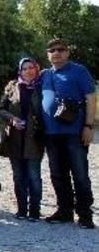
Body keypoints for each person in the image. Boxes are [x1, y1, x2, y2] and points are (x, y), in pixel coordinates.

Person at [39, 38, 95, 229]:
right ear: (48, 54)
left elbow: (90, 98)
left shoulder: (79, 71)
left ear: (68, 52)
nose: (56, 52)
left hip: (74, 132)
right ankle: (64, 211)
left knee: (79, 174)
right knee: (57, 174)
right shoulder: (45, 74)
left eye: (60, 49)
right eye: (52, 50)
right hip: (51, 134)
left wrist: (88, 126)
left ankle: (85, 215)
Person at [0, 57, 45, 221]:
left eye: (31, 67)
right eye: (24, 68)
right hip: (15, 138)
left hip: (35, 137)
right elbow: (1, 109)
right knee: (18, 176)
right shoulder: (12, 86)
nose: (28, 71)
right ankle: (22, 209)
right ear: (20, 71)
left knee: (33, 175)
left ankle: (35, 211)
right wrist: (12, 119)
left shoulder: (42, 86)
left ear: (36, 69)